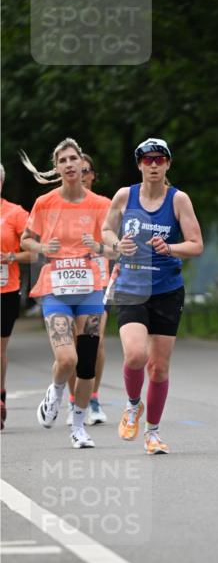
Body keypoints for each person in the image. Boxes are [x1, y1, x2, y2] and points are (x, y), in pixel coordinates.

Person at [102, 138, 203, 455]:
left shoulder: (178, 200)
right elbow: (105, 231)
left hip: (167, 290)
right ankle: (133, 405)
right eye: (148, 160)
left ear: (168, 164)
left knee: (158, 368)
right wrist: (118, 245)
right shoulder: (124, 196)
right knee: (135, 356)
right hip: (132, 288)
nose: (154, 165)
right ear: (140, 165)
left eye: (160, 159)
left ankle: (153, 433)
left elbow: (196, 244)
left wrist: (170, 247)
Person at [19, 138, 115, 448]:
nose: (70, 164)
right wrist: (44, 247)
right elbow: (26, 240)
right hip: (56, 289)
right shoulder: (45, 203)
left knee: (86, 364)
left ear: (82, 165)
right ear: (57, 168)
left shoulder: (101, 204)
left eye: (74, 158)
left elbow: (115, 246)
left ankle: (77, 427)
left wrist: (98, 247)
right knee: (66, 358)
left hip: (89, 290)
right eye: (63, 160)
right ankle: (56, 392)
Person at [65, 153, 112, 427]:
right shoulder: (61, 204)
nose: (81, 175)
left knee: (95, 342)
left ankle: (92, 397)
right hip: (68, 280)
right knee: (72, 343)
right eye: (76, 170)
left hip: (98, 278)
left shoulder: (104, 206)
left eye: (86, 170)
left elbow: (114, 241)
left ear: (93, 175)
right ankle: (74, 401)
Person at [0, 162, 32, 430]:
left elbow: (35, 251)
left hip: (5, 290)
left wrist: (10, 256)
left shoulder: (16, 213)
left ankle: (0, 396)